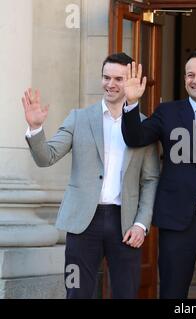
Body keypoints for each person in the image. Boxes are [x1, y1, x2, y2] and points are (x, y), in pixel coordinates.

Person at [21, 53, 160, 299]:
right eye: (106, 77)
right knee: (76, 291)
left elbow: (150, 180)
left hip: (125, 223)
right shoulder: (79, 118)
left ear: (130, 82)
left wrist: (141, 224)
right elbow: (47, 157)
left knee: (126, 294)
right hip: (82, 223)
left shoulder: (144, 125)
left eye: (118, 78)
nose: (111, 84)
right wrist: (35, 128)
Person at [121, 51, 196, 299]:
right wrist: (132, 104)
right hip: (176, 222)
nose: (195, 80)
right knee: (172, 292)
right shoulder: (167, 112)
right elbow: (135, 138)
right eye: (190, 75)